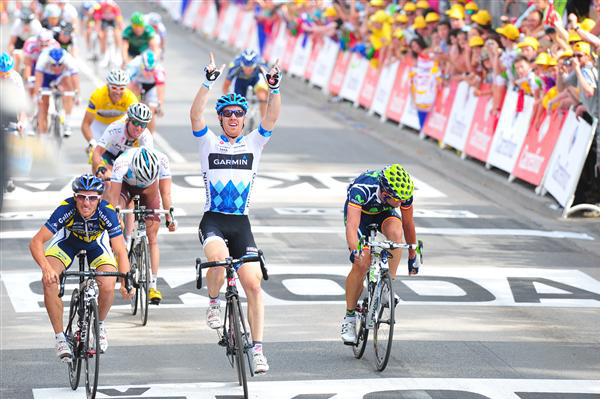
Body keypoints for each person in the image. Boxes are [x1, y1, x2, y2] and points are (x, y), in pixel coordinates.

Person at [190, 52, 281, 374]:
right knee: (216, 257)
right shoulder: (209, 143)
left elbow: (271, 118)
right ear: (221, 118)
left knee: (254, 285)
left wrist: (274, 88)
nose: (232, 118)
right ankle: (214, 302)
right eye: (227, 114)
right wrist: (207, 82)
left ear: (244, 119)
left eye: (238, 114)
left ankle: (257, 349)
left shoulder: (253, 144)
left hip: (241, 224)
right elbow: (195, 115)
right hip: (213, 218)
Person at [29, 174, 132, 360]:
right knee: (50, 282)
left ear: (99, 198)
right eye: (82, 197)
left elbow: (120, 250)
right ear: (75, 197)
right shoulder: (66, 209)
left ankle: (99, 325)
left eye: (92, 198)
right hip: (67, 243)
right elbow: (36, 242)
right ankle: (60, 338)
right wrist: (46, 268)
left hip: (96, 245)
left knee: (108, 285)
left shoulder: (106, 211)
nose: (86, 203)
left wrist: (125, 280)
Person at [340, 164, 420, 344]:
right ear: (385, 193)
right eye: (398, 199)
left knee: (396, 234)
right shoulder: (362, 188)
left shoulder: (402, 195)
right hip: (361, 216)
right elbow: (352, 226)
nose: (401, 203)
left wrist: (413, 253)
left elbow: (408, 224)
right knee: (362, 262)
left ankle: (387, 285)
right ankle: (350, 318)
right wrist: (356, 252)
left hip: (384, 213)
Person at [106, 147, 177, 303]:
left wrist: (169, 218)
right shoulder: (122, 163)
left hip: (150, 190)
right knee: (116, 217)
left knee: (152, 237)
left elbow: (165, 193)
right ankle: (124, 247)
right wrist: (114, 217)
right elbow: (113, 197)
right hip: (126, 186)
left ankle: (153, 285)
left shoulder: (162, 160)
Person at [92, 102, 154, 180]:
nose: (138, 128)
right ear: (128, 120)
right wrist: (100, 167)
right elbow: (97, 152)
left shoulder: (146, 136)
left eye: (143, 125)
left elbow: (149, 161)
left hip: (129, 160)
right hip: (110, 155)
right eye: (135, 122)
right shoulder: (115, 128)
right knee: (102, 173)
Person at [81, 68, 137, 151]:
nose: (118, 92)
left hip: (118, 126)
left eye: (121, 88)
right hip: (98, 125)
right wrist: (91, 141)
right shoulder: (97, 95)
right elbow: (85, 124)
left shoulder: (131, 98)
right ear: (108, 86)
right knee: (95, 153)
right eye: (114, 88)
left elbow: (135, 124)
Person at [33, 47, 79, 136]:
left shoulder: (69, 60)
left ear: (63, 61)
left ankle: (67, 123)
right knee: (43, 105)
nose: (57, 67)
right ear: (49, 62)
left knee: (68, 88)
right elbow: (38, 81)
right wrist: (37, 96)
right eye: (53, 65)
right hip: (46, 76)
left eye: (60, 64)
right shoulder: (43, 60)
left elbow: (75, 79)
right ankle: (43, 135)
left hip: (62, 76)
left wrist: (77, 95)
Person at [126, 50, 166, 133]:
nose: (149, 73)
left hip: (151, 87)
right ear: (141, 66)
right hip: (137, 85)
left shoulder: (159, 70)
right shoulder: (134, 65)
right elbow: (128, 87)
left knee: (150, 112)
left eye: (152, 70)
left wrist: (160, 105)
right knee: (135, 108)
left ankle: (150, 137)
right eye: (146, 70)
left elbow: (160, 90)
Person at [223, 49, 269, 120]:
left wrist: (266, 98)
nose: (248, 71)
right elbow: (226, 84)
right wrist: (227, 99)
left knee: (262, 97)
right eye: (245, 68)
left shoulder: (261, 65)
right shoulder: (235, 65)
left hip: (256, 79)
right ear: (242, 65)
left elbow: (269, 82)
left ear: (255, 65)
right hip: (241, 81)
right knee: (238, 103)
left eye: (250, 69)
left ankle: (264, 121)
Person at [7, 8, 42, 72]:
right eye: (24, 22)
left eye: (28, 22)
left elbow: (40, 43)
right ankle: (15, 73)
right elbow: (11, 42)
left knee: (29, 58)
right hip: (20, 40)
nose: (26, 24)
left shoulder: (36, 25)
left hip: (33, 41)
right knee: (16, 55)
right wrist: (10, 55)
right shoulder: (17, 24)